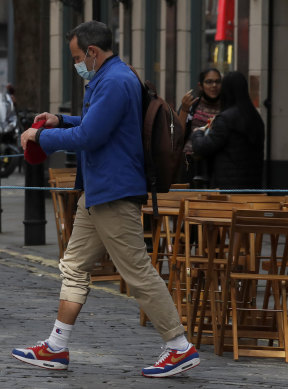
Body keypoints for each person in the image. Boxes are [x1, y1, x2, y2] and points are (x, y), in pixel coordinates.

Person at [13, 20, 199, 377]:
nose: (76, 63)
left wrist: (41, 136)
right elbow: (93, 123)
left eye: (77, 56)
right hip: (100, 191)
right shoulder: (111, 76)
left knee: (138, 271)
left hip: (113, 191)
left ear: (93, 53)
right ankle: (56, 347)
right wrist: (58, 119)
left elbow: (92, 134)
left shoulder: (114, 81)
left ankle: (179, 346)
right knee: (74, 265)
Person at [191, 71, 265, 189]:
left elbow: (203, 147)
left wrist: (197, 133)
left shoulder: (226, 118)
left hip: (228, 186)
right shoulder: (255, 117)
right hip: (253, 185)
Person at [178, 68, 222, 187]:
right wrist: (184, 110)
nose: (214, 85)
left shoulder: (226, 107)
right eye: (209, 82)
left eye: (217, 82)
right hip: (190, 163)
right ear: (200, 86)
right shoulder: (192, 105)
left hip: (216, 165)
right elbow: (178, 134)